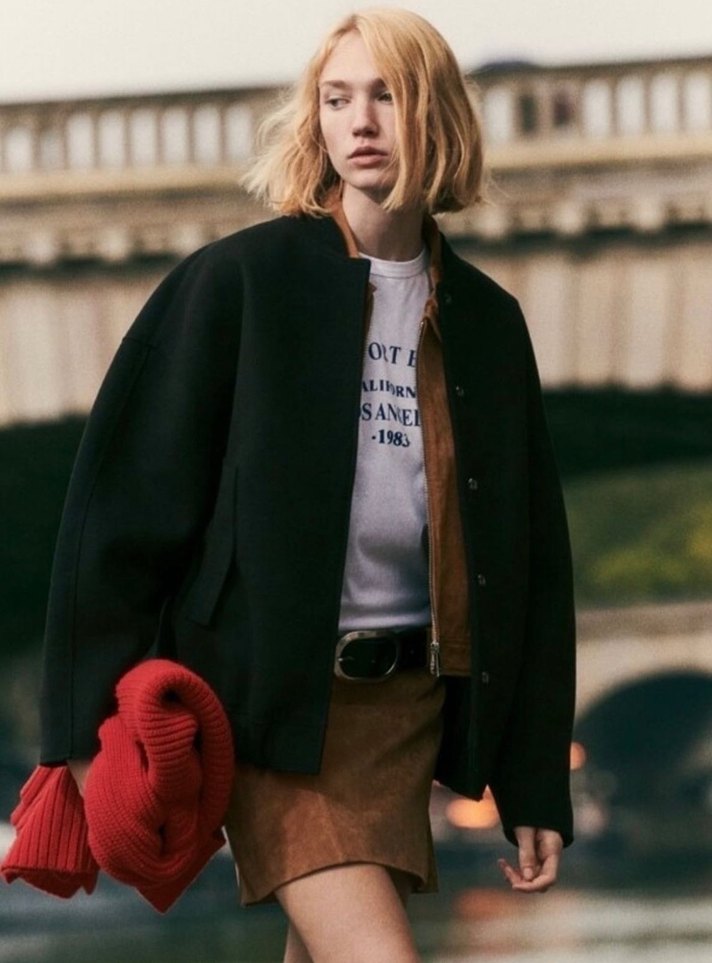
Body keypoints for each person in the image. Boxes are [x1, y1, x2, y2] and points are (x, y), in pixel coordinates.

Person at [39, 7, 576, 962]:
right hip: (272, 708)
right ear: (315, 120)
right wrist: (80, 735)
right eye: (336, 99)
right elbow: (122, 514)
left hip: (407, 714)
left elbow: (531, 560)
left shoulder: (489, 322)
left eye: (386, 96)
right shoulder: (238, 284)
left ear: (438, 115)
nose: (359, 121)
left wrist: (535, 781)